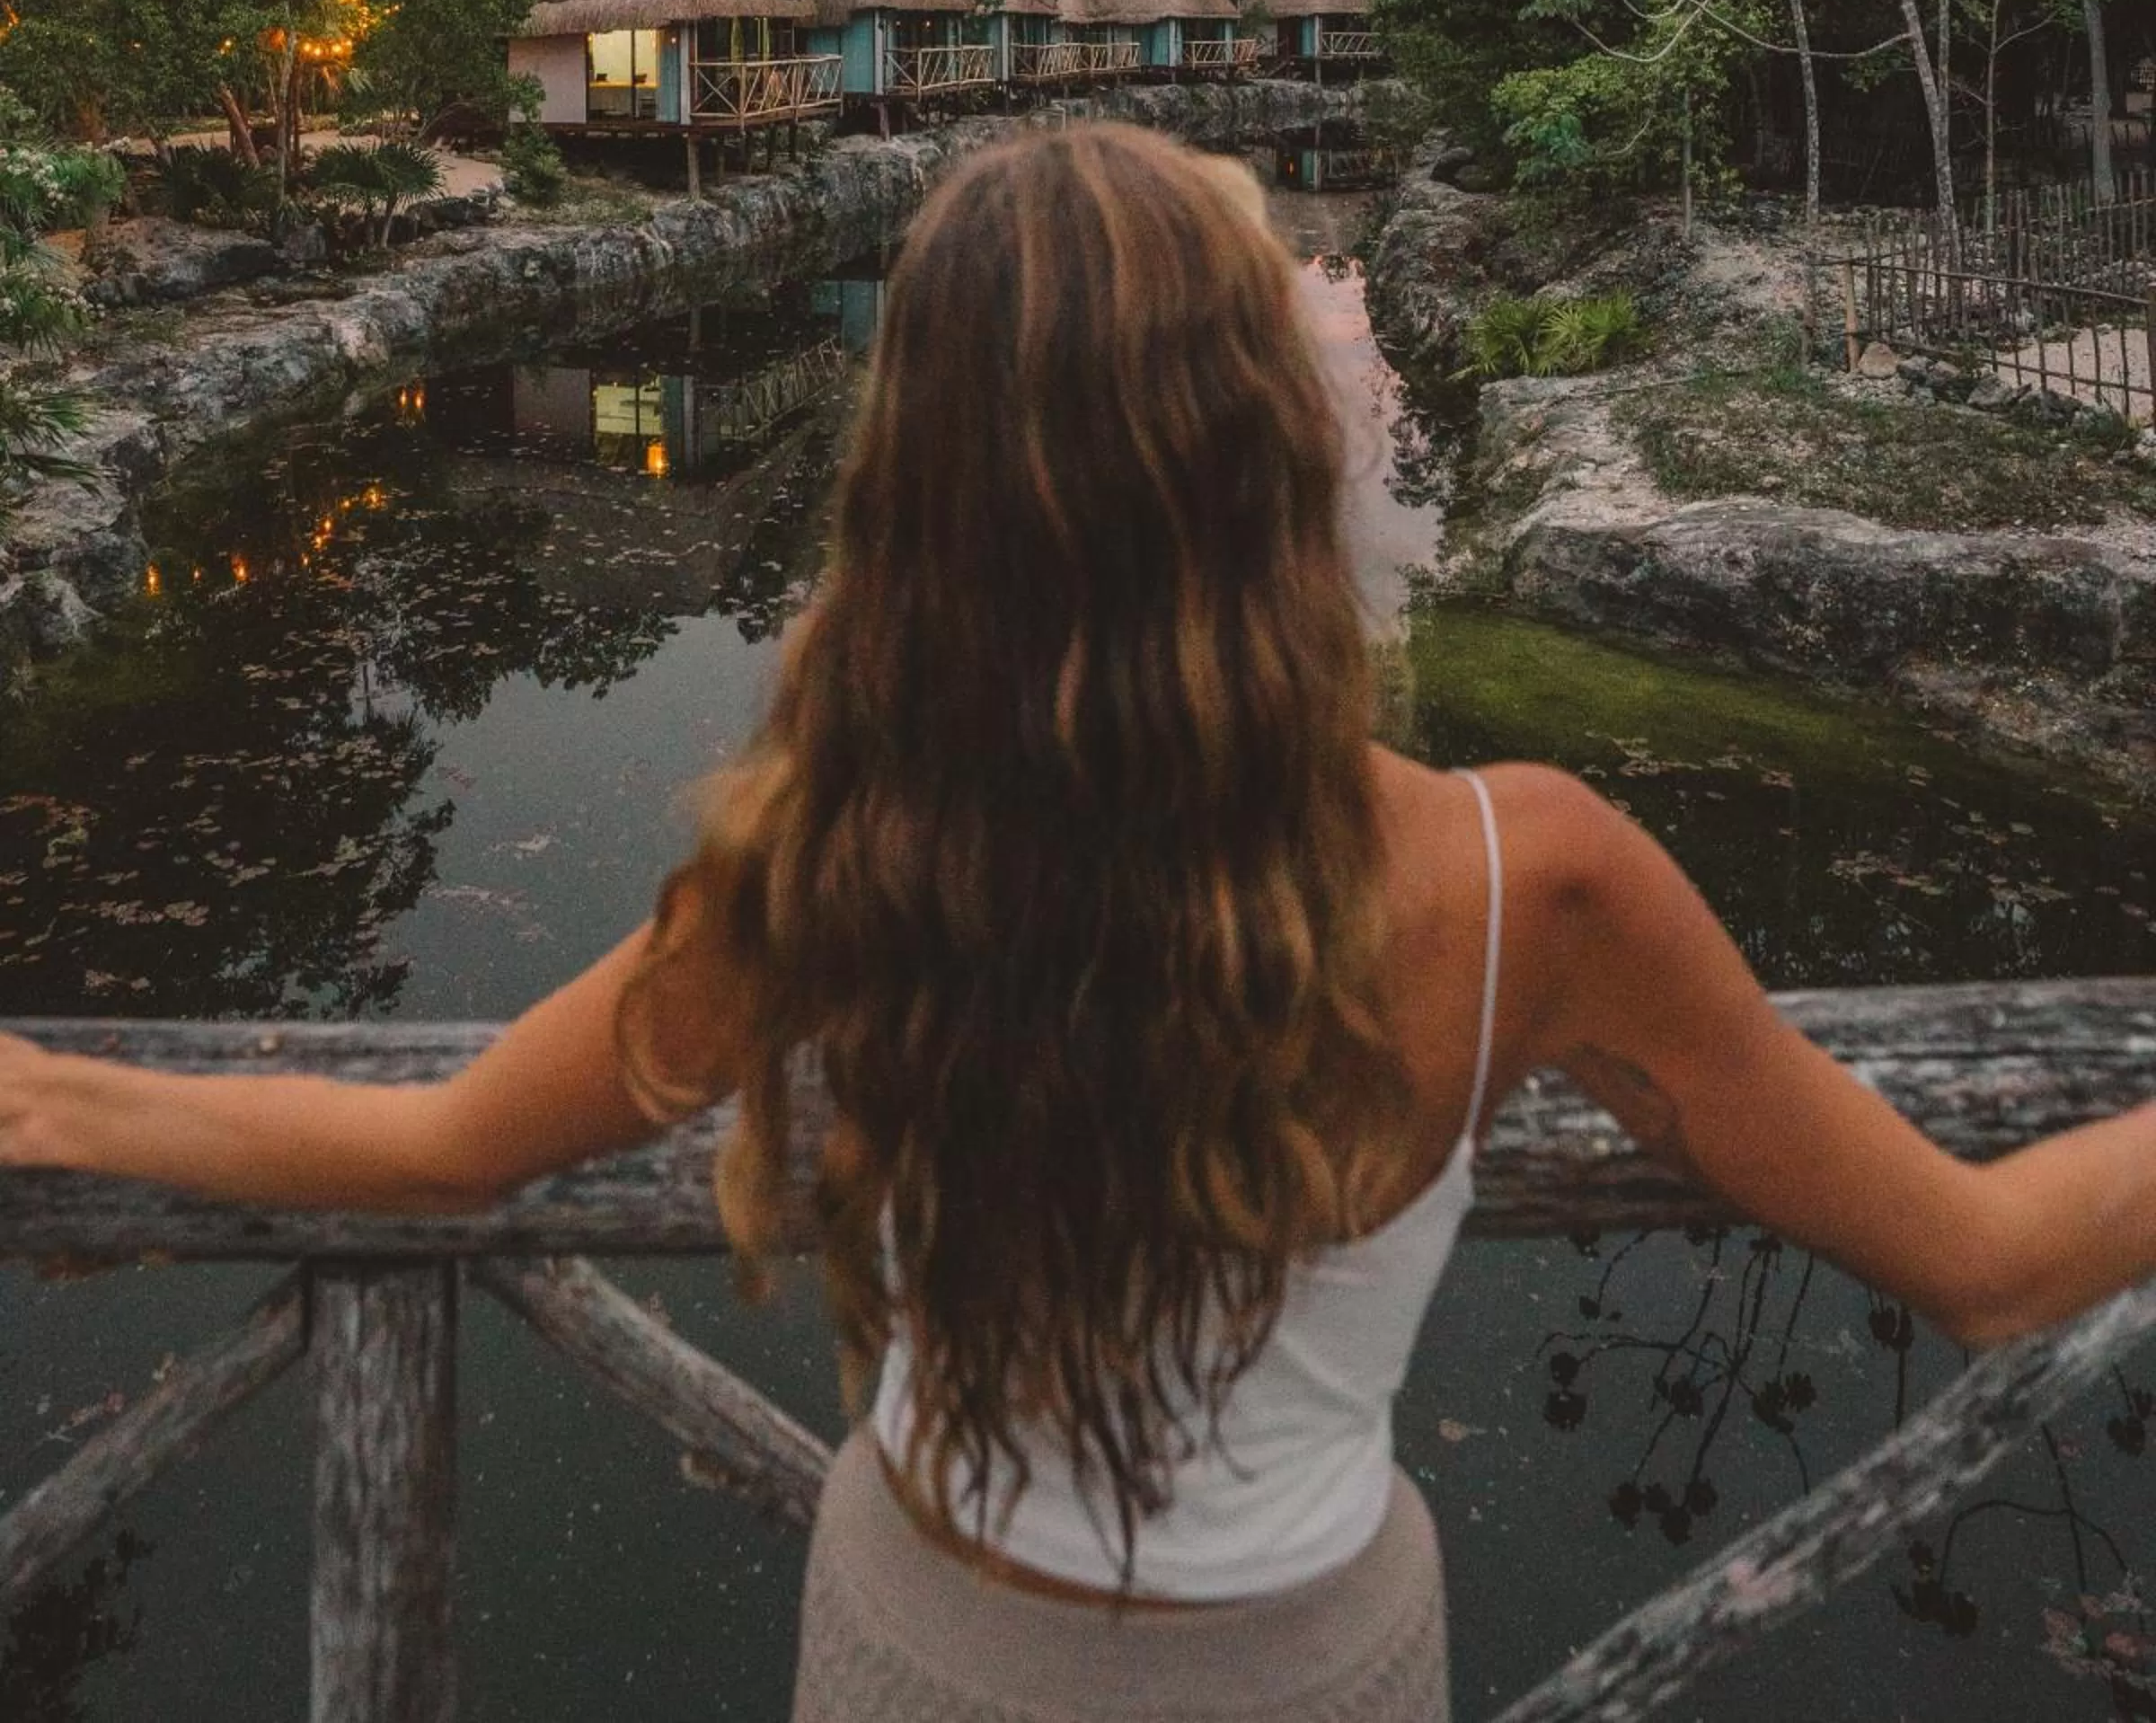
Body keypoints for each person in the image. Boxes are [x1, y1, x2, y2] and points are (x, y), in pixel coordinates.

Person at [5, 122, 2156, 1723]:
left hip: (922, 1646)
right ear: (1264, 444)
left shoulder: (849, 845)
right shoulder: (1533, 878)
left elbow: (442, 1146)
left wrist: (54, 1098)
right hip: (1308, 1667)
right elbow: (1985, 1262)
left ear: (919, 473)